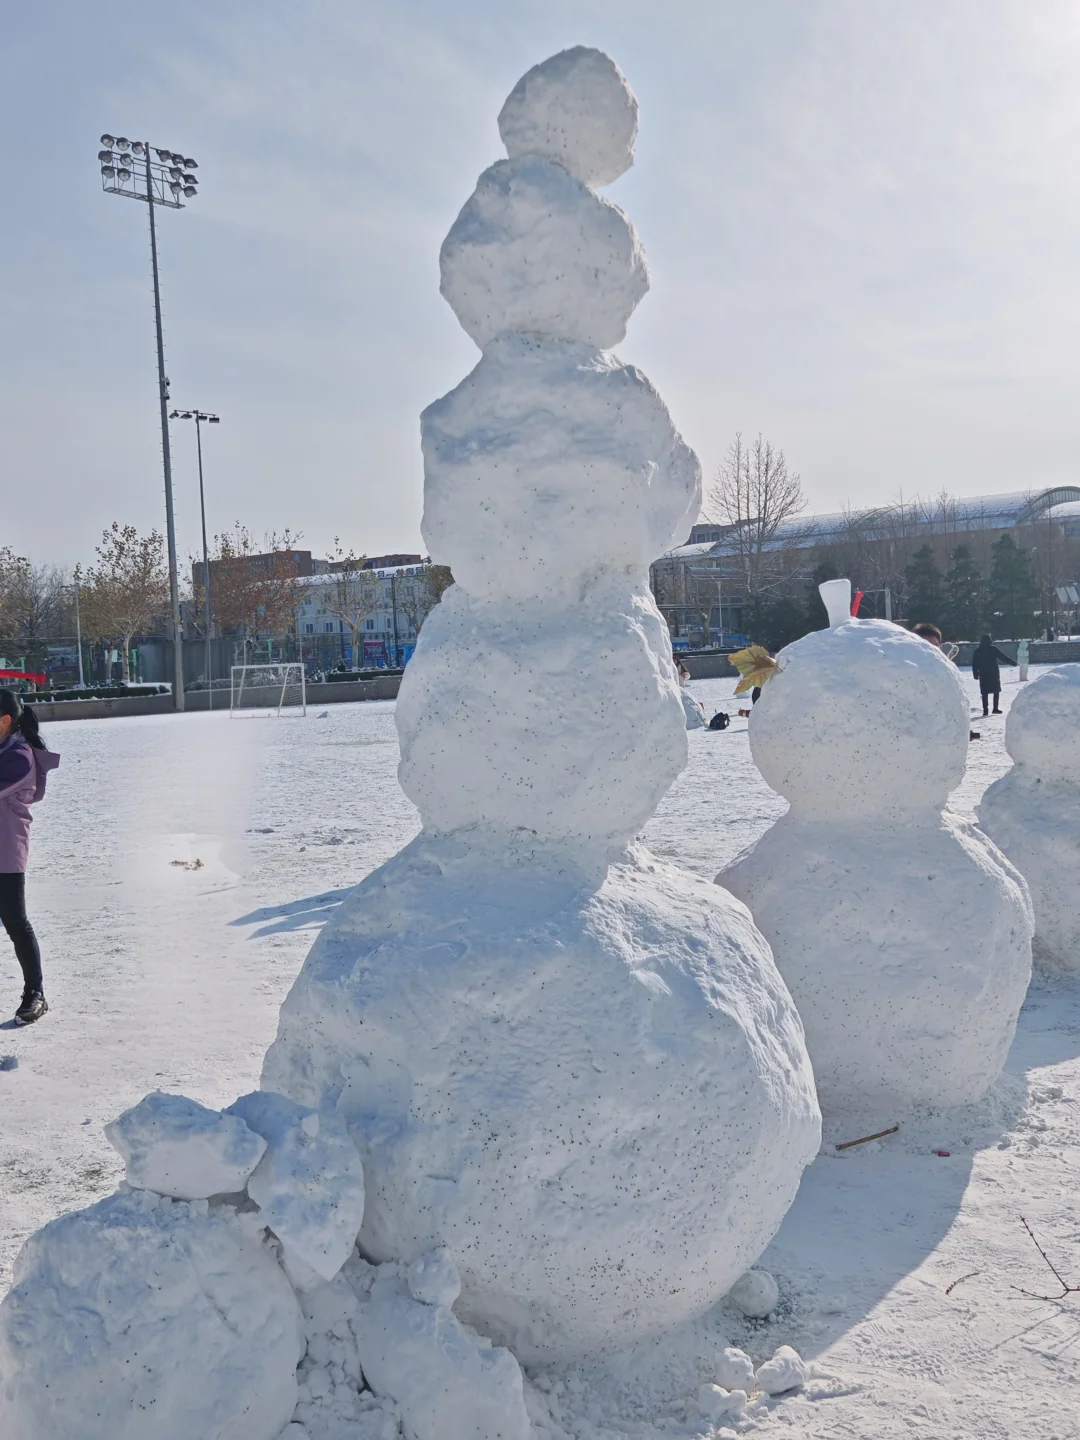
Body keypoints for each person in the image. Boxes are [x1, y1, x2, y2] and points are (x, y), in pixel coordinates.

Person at [0, 690, 60, 1025]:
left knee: (15, 924)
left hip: (5, 851)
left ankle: (35, 993)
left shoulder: (18, 756)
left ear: (5, 720)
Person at [971, 635, 1015, 717]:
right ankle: (995, 708)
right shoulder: (993, 649)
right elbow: (1003, 657)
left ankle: (985, 710)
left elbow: (974, 664)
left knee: (984, 692)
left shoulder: (977, 651)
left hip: (983, 673)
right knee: (996, 690)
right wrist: (1013, 663)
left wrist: (975, 674)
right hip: (993, 673)